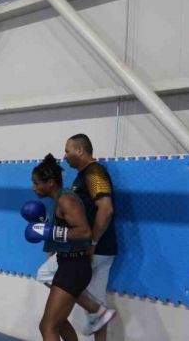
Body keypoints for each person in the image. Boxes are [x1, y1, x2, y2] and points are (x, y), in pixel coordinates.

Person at [22, 154, 94, 341]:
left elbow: (85, 232)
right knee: (59, 323)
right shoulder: (58, 200)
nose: (34, 187)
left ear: (51, 183)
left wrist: (51, 232)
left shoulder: (66, 200)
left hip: (74, 267)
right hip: (68, 265)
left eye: (37, 183)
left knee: (47, 326)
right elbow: (64, 230)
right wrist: (46, 227)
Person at [64, 134, 118, 340]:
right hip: (101, 249)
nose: (65, 156)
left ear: (80, 150)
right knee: (97, 307)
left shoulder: (94, 172)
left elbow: (106, 209)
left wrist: (92, 242)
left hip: (94, 248)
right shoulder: (84, 175)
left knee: (48, 275)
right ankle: (99, 312)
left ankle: (99, 311)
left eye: (67, 150)